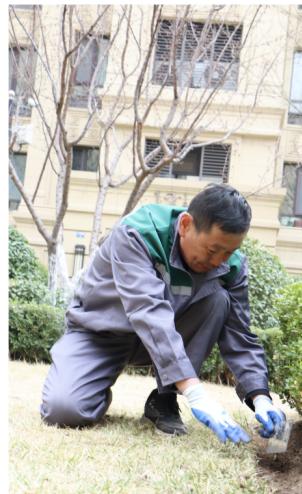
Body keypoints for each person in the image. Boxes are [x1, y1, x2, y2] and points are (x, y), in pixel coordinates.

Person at [40, 184, 286, 443]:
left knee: (217, 299)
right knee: (63, 410)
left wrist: (261, 397)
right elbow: (148, 312)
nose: (218, 262)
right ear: (185, 225)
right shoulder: (137, 233)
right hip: (100, 334)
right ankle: (92, 386)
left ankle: (165, 397)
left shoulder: (231, 266)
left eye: (229, 252)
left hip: (165, 343)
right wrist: (196, 393)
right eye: (213, 250)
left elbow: (240, 334)